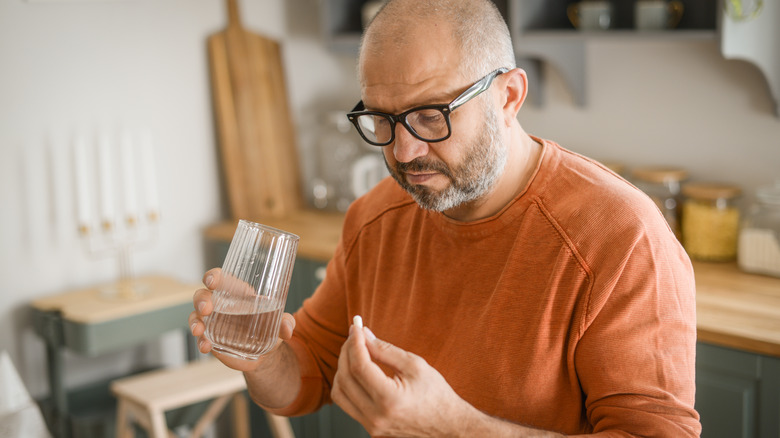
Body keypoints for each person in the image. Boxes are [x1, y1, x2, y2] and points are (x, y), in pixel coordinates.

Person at [189, 0, 702, 435]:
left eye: (431, 115)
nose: (405, 150)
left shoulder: (621, 236)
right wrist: (263, 359)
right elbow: (314, 370)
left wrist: (457, 427)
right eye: (382, 119)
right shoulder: (375, 217)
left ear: (509, 97)